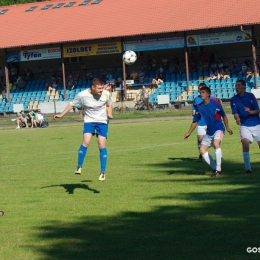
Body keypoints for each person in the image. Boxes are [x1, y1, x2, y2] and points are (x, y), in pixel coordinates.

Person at [53, 78, 113, 181]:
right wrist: (61, 114)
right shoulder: (82, 95)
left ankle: (103, 172)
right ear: (92, 87)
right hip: (89, 121)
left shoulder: (106, 94)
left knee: (101, 144)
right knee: (86, 141)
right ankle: (79, 166)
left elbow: (109, 104)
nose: (101, 91)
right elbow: (72, 104)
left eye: (102, 88)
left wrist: (110, 113)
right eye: (99, 89)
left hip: (102, 121)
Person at [184, 86, 233, 177]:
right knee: (202, 150)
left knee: (216, 144)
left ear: (208, 94)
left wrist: (227, 127)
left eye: (203, 92)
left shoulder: (215, 104)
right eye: (200, 92)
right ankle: (215, 169)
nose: (201, 94)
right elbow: (195, 121)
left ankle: (218, 169)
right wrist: (189, 133)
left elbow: (224, 115)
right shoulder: (200, 106)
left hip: (218, 128)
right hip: (209, 131)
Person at [230, 79, 260, 175]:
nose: (236, 87)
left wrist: (250, 112)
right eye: (236, 86)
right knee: (245, 145)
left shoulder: (251, 96)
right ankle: (248, 169)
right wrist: (237, 118)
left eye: (239, 85)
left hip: (256, 124)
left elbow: (257, 110)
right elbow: (235, 113)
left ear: (244, 87)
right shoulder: (233, 99)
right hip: (244, 126)